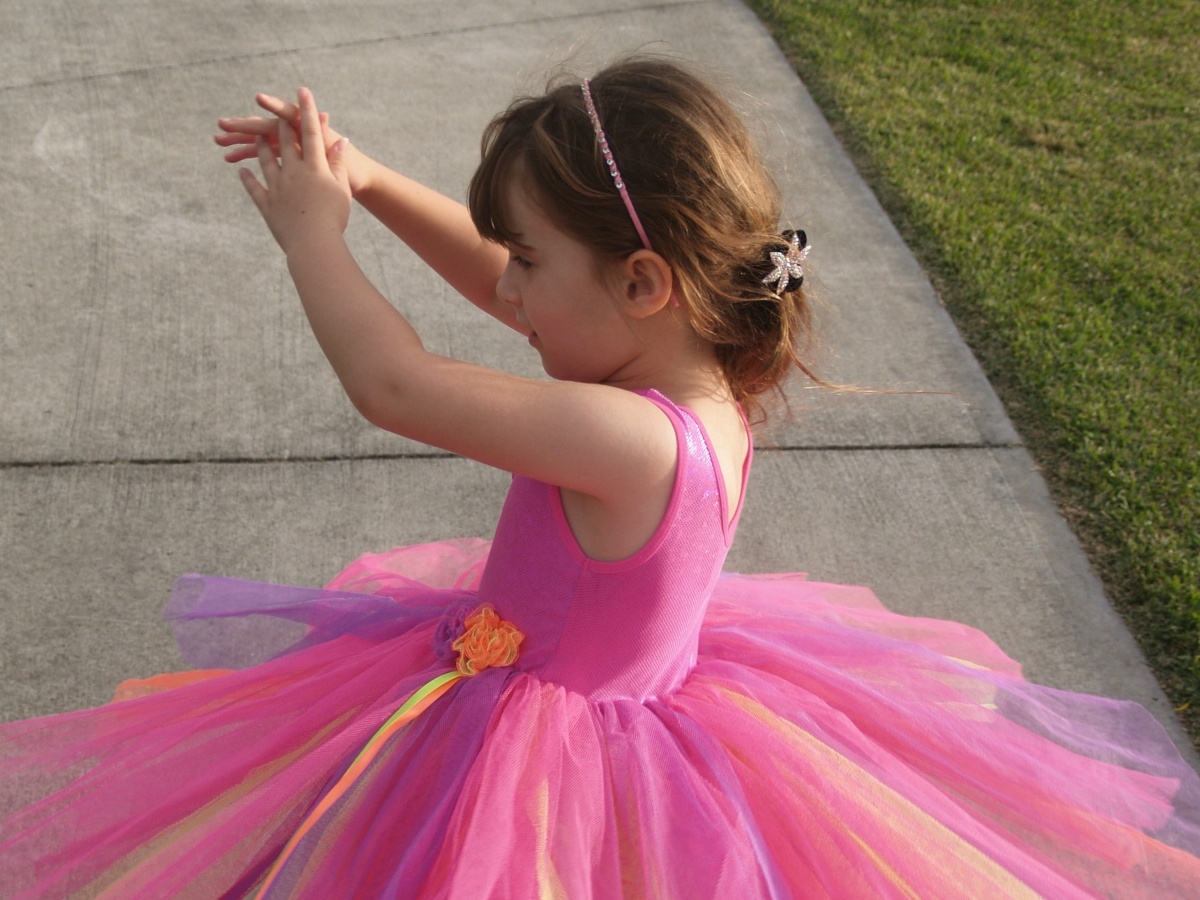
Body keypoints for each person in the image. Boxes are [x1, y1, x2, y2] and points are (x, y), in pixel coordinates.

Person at [2, 56, 1199, 898]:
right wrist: (361, 178)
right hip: (615, 703)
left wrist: (314, 233)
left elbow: (402, 389)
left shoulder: (630, 441)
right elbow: (497, 287)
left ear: (641, 283)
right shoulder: (693, 380)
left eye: (530, 258)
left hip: (548, 763)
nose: (506, 290)